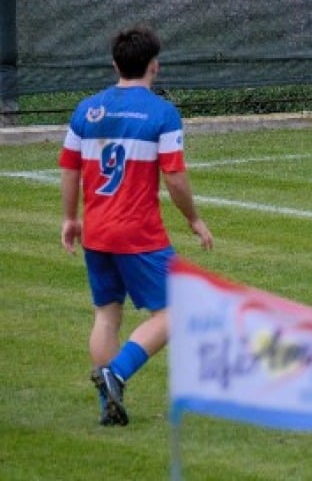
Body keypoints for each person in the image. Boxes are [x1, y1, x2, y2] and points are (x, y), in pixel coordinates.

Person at [59, 25, 214, 426]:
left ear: (115, 64)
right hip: (138, 233)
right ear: (154, 66)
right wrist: (194, 220)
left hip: (97, 232)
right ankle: (117, 372)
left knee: (107, 315)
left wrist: (70, 217)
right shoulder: (162, 113)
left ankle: (107, 407)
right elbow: (175, 177)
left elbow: (70, 169)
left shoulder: (87, 109)